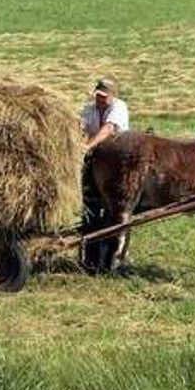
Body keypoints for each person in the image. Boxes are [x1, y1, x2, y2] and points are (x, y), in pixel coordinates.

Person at [78, 77, 130, 271]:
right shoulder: (89, 109)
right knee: (91, 207)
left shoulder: (119, 108)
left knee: (113, 210)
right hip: (94, 162)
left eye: (104, 97)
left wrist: (88, 146)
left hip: (117, 163)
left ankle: (112, 257)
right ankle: (89, 256)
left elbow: (108, 129)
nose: (100, 99)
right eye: (98, 95)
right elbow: (80, 127)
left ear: (112, 96)